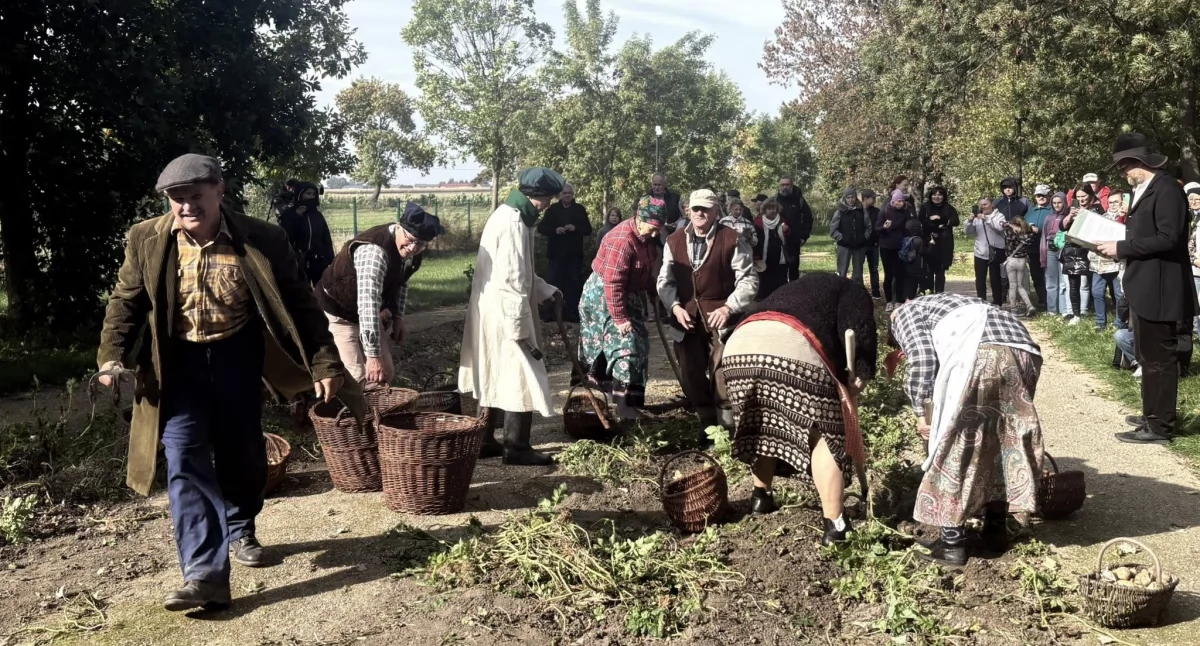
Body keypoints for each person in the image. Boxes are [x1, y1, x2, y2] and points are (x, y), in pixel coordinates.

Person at [96, 154, 359, 612]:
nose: (187, 206)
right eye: (177, 199)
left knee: (242, 452)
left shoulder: (262, 237)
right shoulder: (147, 237)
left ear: (220, 190)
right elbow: (126, 300)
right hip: (176, 364)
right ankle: (204, 575)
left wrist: (325, 364)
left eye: (196, 196)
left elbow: (301, 303)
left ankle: (240, 525)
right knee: (184, 457)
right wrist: (111, 356)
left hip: (238, 355)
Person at [887, 293, 1045, 566]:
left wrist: (921, 413)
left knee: (958, 446)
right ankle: (995, 532)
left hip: (984, 355)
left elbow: (923, 359)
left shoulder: (903, 314)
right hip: (1025, 353)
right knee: (1002, 442)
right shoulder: (951, 303)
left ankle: (952, 545)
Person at [720, 273, 875, 544]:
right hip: (792, 344)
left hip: (739, 348)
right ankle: (836, 525)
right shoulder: (852, 290)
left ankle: (761, 497)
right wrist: (861, 373)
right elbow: (859, 331)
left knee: (763, 422)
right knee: (824, 434)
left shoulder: (793, 289)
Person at [1094, 132, 1199, 444]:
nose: (1122, 173)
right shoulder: (1146, 189)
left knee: (1159, 361)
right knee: (1147, 357)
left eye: (1124, 166)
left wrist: (1122, 248)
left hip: (1161, 289)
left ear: (1139, 162)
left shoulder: (1166, 189)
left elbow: (1169, 238)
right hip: (1146, 286)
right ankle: (1152, 414)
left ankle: (1160, 426)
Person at [459, 167, 566, 465]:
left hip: (498, 310)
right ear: (535, 195)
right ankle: (516, 447)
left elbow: (522, 272)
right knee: (520, 372)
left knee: (493, 371)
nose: (548, 205)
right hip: (506, 312)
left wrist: (545, 290)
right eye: (548, 198)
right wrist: (519, 327)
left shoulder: (511, 216)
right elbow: (513, 279)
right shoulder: (512, 223)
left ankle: (483, 441)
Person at [658, 188, 759, 432]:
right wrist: (675, 307)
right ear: (688, 211)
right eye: (696, 208)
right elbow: (665, 281)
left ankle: (726, 428)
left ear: (716, 211)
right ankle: (706, 424)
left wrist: (728, 307)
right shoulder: (674, 240)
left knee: (723, 373)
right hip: (686, 318)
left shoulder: (732, 239)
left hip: (722, 320)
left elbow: (748, 280)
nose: (700, 213)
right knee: (690, 372)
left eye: (705, 209)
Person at [315, 202, 444, 388]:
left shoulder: (412, 250)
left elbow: (402, 281)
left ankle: (372, 406)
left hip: (366, 312)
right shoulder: (374, 252)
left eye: (421, 244)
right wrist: (373, 356)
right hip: (339, 312)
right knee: (358, 377)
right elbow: (367, 305)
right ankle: (340, 403)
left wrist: (398, 318)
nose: (413, 248)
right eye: (410, 239)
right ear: (399, 227)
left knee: (385, 374)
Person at [577, 196, 665, 420]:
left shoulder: (646, 237)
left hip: (628, 293)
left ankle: (631, 401)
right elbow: (613, 282)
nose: (655, 233)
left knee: (640, 342)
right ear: (639, 218)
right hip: (603, 298)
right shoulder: (622, 239)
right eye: (653, 227)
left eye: (659, 228)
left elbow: (645, 269)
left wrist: (652, 291)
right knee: (625, 345)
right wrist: (620, 318)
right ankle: (618, 405)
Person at [537, 183, 592, 323]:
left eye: (569, 193)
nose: (567, 196)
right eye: (564, 193)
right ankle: (550, 314)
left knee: (573, 284)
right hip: (556, 254)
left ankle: (571, 314)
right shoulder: (552, 210)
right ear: (559, 195)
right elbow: (541, 228)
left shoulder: (579, 209)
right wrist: (555, 230)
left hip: (574, 255)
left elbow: (588, 229)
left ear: (573, 194)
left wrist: (575, 228)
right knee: (552, 284)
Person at [279, 181, 336, 286]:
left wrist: (331, 260)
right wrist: (296, 216)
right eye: (308, 193)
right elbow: (285, 236)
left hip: (319, 262)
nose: (311, 197)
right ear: (300, 195)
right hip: (299, 263)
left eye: (313, 194)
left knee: (321, 290)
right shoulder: (289, 214)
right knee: (302, 291)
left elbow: (326, 239)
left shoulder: (317, 215)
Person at [1060, 185, 1101, 325]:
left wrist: (1085, 215)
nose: (1081, 199)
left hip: (1092, 249)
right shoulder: (1072, 209)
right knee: (1073, 284)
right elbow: (1062, 227)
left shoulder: (1097, 208)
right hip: (1074, 250)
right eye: (1078, 197)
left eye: (1084, 196)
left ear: (1091, 195)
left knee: (1095, 284)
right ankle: (1076, 314)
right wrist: (1070, 216)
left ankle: (1097, 314)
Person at [1090, 193, 1125, 331]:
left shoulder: (1127, 218)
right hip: (1099, 262)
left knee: (1119, 294)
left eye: (1116, 202)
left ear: (1123, 202)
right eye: (1110, 202)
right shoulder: (1102, 218)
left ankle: (1120, 322)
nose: (1113, 205)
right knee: (1097, 292)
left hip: (1117, 263)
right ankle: (1100, 323)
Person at [917, 186, 960, 294]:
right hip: (929, 241)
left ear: (943, 196)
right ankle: (928, 292)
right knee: (928, 270)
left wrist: (940, 219)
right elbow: (922, 221)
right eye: (934, 194)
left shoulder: (948, 208)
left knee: (940, 271)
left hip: (944, 243)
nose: (936, 197)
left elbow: (955, 221)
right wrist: (937, 226)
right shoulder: (925, 207)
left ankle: (939, 293)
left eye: (939, 194)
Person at [965, 197, 1007, 306]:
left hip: (997, 251)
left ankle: (997, 303)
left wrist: (987, 220)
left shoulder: (999, 216)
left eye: (985, 204)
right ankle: (981, 302)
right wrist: (969, 221)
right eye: (981, 205)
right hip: (980, 252)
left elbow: (1000, 228)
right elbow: (968, 232)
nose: (982, 207)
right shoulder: (977, 218)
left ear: (992, 204)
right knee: (980, 279)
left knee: (995, 278)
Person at [830, 187, 873, 284]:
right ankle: (840, 290)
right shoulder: (839, 211)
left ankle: (857, 290)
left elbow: (868, 226)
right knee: (842, 271)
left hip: (859, 245)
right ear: (845, 198)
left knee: (858, 273)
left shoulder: (862, 210)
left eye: (852, 197)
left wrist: (864, 237)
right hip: (844, 245)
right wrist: (841, 238)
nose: (850, 200)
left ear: (856, 198)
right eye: (848, 197)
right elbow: (833, 230)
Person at [876, 190, 909, 311]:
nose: (900, 203)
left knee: (900, 274)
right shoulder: (884, 211)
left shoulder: (905, 213)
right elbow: (877, 228)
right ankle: (889, 301)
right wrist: (884, 227)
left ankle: (899, 300)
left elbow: (907, 227)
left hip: (900, 247)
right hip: (886, 246)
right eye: (898, 201)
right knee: (888, 274)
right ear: (893, 201)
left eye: (902, 201)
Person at [775, 176, 814, 280]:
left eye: (787, 184)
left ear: (792, 185)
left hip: (794, 241)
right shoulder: (775, 201)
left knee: (794, 269)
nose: (785, 187)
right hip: (778, 241)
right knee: (780, 270)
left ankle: (794, 289)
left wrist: (804, 236)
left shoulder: (800, 201)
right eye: (782, 185)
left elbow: (808, 219)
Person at [753, 197, 791, 300]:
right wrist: (756, 257)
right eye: (769, 208)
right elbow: (754, 241)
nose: (772, 210)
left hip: (780, 256)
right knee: (765, 280)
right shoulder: (758, 221)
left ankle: (780, 298)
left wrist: (787, 231)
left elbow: (788, 237)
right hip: (763, 257)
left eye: (774, 208)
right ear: (764, 209)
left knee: (780, 279)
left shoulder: (782, 220)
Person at [1043, 192, 1071, 316]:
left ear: (1064, 202)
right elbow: (1044, 236)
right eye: (1054, 203)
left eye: (1059, 202)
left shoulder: (1068, 216)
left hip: (1063, 249)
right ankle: (1052, 309)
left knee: (1063, 281)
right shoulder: (1049, 217)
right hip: (1050, 249)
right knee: (1050, 280)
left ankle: (1064, 309)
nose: (1056, 205)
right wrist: (1043, 252)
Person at [1026, 185, 1053, 311]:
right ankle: (1042, 300)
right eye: (1038, 195)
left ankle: (1051, 302)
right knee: (1036, 276)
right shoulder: (1031, 211)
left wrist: (1039, 230)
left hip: (1048, 249)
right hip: (1033, 248)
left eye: (1043, 195)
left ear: (1049, 196)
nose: (1040, 198)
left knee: (1049, 276)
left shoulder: (1052, 210)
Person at [1003, 216, 1037, 317]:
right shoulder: (1028, 234)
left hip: (1011, 260)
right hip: (1021, 261)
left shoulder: (1009, 232)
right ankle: (1029, 305)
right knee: (1020, 285)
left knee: (1012, 286)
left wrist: (1009, 225)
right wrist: (1030, 226)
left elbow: (1002, 224)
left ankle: (1013, 308)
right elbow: (1035, 232)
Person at [900, 217, 936, 300]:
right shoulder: (918, 240)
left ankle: (906, 299)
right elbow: (925, 252)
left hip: (907, 267)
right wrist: (931, 244)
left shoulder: (906, 239)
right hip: (917, 268)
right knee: (918, 286)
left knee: (909, 286)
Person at [861, 189, 883, 298]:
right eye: (873, 198)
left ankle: (875, 292)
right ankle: (860, 292)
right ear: (865, 199)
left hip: (873, 244)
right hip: (861, 245)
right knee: (859, 269)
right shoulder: (858, 211)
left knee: (874, 269)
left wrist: (877, 241)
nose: (875, 200)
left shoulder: (877, 212)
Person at [1187, 182, 1200, 335]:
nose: (1194, 202)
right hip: (1193, 264)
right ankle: (1195, 328)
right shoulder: (1188, 217)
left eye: (1197, 199)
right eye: (1191, 199)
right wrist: (1192, 259)